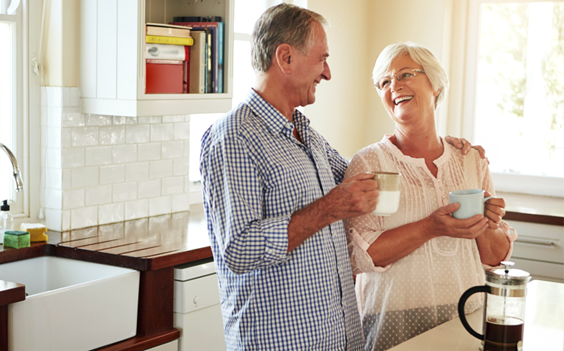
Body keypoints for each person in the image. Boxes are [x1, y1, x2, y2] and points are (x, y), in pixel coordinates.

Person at [200, 5, 479, 350]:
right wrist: (329, 209)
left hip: (336, 337)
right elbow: (237, 250)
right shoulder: (234, 137)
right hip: (282, 342)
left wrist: (446, 153)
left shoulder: (305, 134)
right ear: (285, 58)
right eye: (322, 59)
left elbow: (374, 174)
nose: (327, 73)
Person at [342, 42, 518, 351]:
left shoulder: (470, 160)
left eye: (405, 74)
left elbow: (492, 257)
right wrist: (430, 227)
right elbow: (362, 257)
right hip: (392, 323)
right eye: (384, 82)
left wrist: (488, 223)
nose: (394, 86)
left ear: (435, 85)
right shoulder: (373, 164)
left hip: (467, 316)